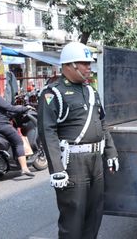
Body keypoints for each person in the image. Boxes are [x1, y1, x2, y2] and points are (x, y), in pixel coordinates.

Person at [38, 42, 119, 239]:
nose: (88, 66)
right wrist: (57, 169)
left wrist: (111, 152)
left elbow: (102, 124)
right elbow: (47, 132)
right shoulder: (53, 93)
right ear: (69, 65)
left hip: (95, 161)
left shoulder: (91, 91)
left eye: (89, 62)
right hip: (73, 164)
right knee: (73, 218)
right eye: (83, 63)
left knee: (95, 215)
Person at [0, 78, 34, 177]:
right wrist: (25, 108)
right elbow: (11, 108)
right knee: (18, 142)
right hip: (1, 125)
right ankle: (24, 168)